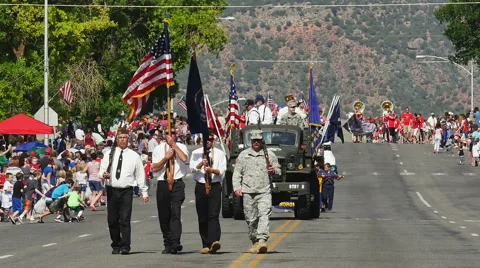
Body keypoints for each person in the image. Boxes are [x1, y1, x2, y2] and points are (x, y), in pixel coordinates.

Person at [99, 127, 149, 255]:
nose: (122, 140)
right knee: (112, 220)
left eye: (124, 138)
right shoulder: (109, 154)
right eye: (120, 138)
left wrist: (144, 192)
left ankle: (126, 246)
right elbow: (101, 170)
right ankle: (116, 244)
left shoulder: (134, 156)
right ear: (116, 139)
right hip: (112, 190)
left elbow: (140, 174)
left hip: (127, 191)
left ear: (128, 140)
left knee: (125, 219)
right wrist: (103, 175)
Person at [232, 129, 281, 254]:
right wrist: (237, 188)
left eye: (258, 140)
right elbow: (237, 173)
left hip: (264, 191)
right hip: (248, 191)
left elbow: (279, 171)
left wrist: (274, 171)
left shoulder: (269, 155)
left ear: (262, 140)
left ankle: (262, 239)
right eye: (254, 140)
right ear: (251, 141)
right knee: (251, 219)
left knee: (264, 215)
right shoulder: (243, 155)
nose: (256, 142)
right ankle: (254, 240)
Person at [152, 127, 189, 254]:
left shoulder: (181, 146)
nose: (170, 135)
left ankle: (175, 242)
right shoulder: (158, 148)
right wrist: (166, 158)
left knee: (175, 213)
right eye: (167, 133)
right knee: (164, 215)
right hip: (163, 182)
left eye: (172, 133)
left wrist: (174, 146)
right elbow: (155, 168)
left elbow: (184, 159)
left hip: (177, 182)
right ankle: (167, 243)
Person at [189, 131, 227, 254]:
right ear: (202, 141)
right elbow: (192, 169)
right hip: (201, 186)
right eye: (206, 140)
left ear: (213, 140)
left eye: (210, 139)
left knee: (213, 215)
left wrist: (212, 170)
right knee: (202, 216)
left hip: (214, 185)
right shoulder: (196, 153)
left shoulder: (220, 154)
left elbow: (222, 170)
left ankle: (214, 241)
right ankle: (205, 243)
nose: (208, 142)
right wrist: (201, 163)